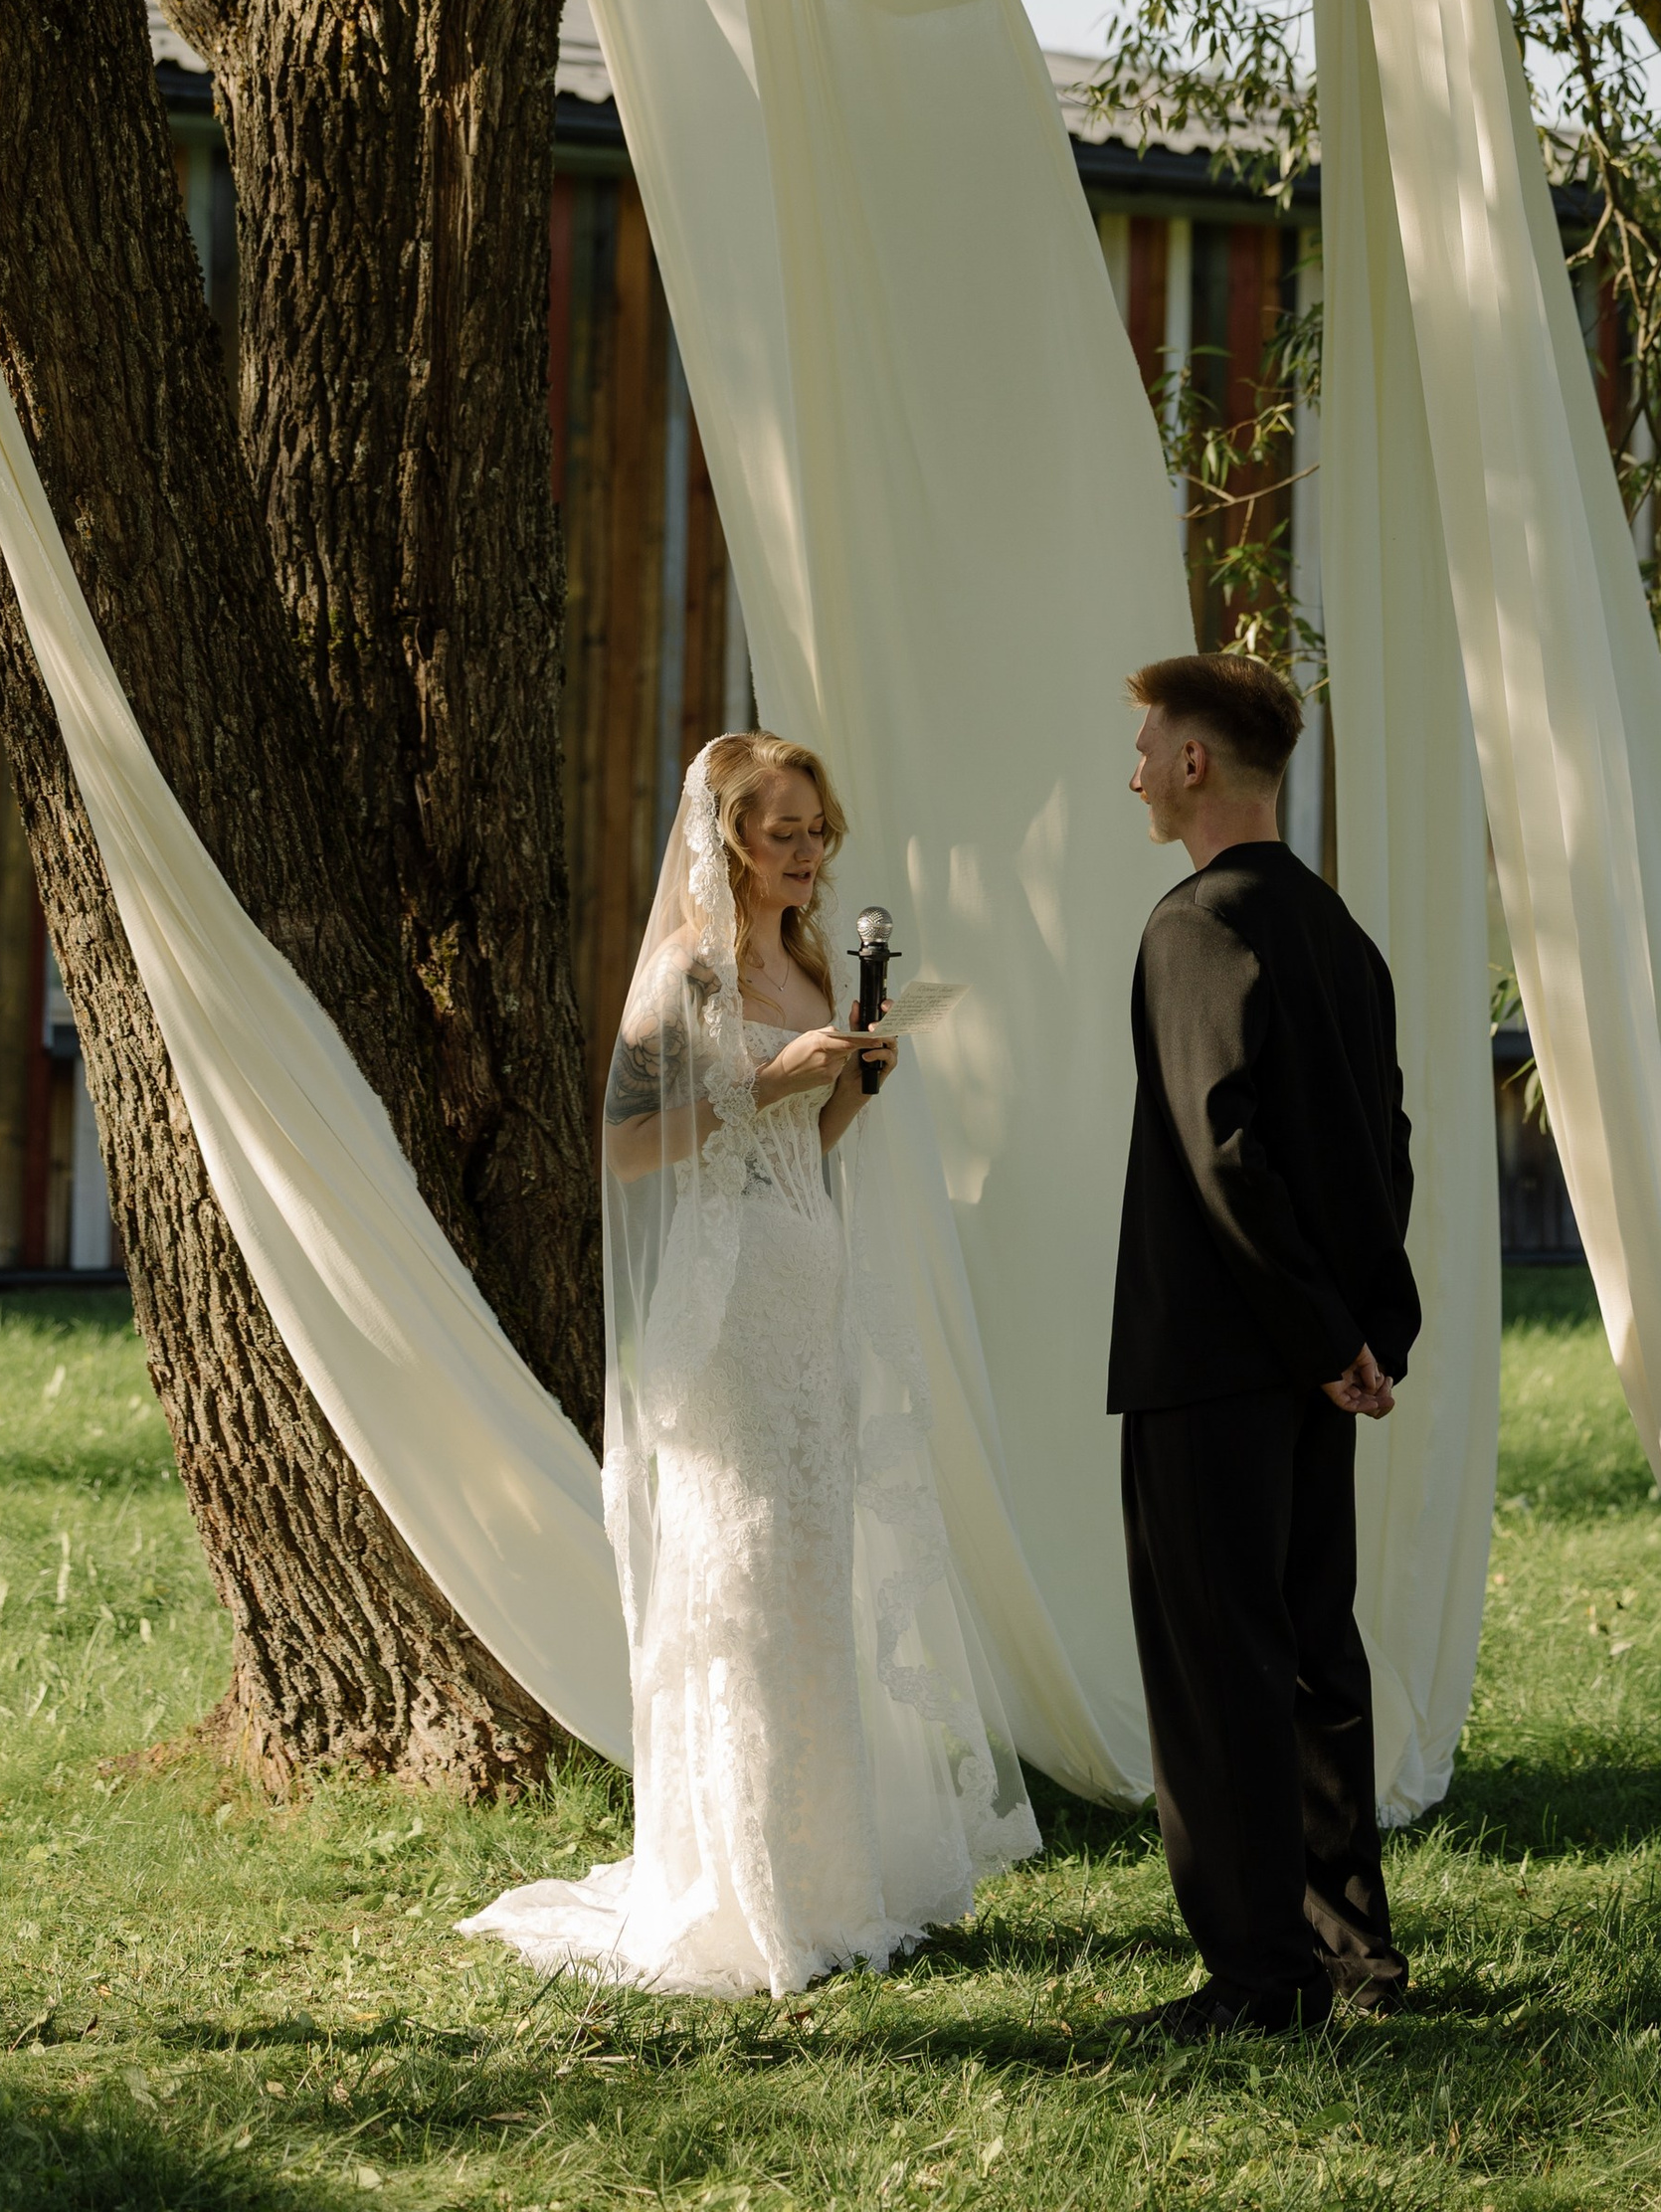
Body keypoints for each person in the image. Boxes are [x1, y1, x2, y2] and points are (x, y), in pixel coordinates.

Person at [462, 730, 1037, 1993]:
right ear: (727, 838)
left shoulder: (808, 958)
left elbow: (810, 1140)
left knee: (812, 1575)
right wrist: (771, 1079)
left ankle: (822, 1873)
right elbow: (623, 1150)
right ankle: (735, 1882)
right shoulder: (692, 972)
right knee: (745, 1566)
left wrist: (853, 1082)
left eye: (818, 831)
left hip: (808, 1275)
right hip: (724, 1309)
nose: (808, 852)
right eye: (783, 832)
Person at [1109, 649, 1419, 2041]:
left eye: (1145, 744)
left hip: (1217, 1356)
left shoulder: (1195, 925)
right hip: (1307, 1358)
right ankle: (1351, 1953)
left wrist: (1315, 1334)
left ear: (1193, 764)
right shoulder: (1335, 930)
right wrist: (1362, 1332)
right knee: (1309, 1654)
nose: (1132, 768)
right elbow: (1380, 1153)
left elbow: (1224, 1159)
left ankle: (1258, 1977)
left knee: (1217, 1667)